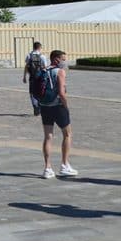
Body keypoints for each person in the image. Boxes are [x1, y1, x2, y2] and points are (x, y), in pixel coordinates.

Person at [37, 50, 78, 179]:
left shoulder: (44, 70)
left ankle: (47, 168)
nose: (64, 62)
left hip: (44, 106)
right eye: (63, 59)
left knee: (48, 136)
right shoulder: (60, 72)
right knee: (67, 134)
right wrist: (66, 105)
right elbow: (61, 92)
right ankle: (64, 165)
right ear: (56, 59)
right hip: (58, 106)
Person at [23, 42, 49, 116]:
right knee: (41, 91)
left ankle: (35, 105)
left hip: (32, 77)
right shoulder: (42, 56)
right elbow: (45, 67)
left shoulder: (29, 55)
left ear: (33, 47)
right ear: (40, 47)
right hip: (40, 77)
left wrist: (24, 76)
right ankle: (39, 105)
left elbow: (26, 66)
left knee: (32, 92)